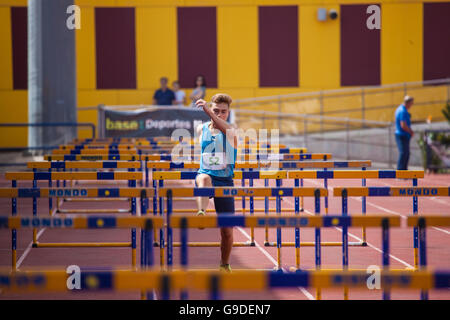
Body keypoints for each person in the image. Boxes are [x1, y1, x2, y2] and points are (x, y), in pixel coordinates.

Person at [194, 93, 237, 273]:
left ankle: (224, 264)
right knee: (204, 178)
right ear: (212, 109)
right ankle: (202, 212)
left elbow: (224, 128)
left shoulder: (231, 130)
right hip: (206, 173)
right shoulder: (201, 129)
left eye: (223, 112)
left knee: (226, 232)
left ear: (228, 113)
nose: (220, 114)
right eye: (216, 110)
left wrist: (209, 113)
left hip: (225, 180)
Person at [395, 95, 414, 170]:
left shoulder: (401, 109)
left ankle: (404, 171)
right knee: (403, 153)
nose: (411, 105)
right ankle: (400, 172)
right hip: (402, 135)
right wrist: (410, 131)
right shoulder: (402, 111)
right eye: (411, 103)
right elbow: (403, 125)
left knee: (406, 153)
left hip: (403, 134)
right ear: (408, 103)